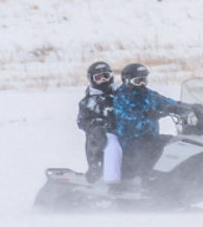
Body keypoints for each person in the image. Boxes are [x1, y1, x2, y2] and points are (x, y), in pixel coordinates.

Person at [112, 63, 188, 192]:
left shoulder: (148, 94)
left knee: (175, 144)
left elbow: (167, 102)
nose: (142, 84)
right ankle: (146, 182)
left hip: (149, 137)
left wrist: (188, 107)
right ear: (127, 81)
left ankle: (174, 179)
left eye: (144, 80)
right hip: (130, 140)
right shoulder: (121, 97)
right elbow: (128, 119)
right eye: (138, 80)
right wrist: (151, 115)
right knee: (148, 149)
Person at [76, 61, 122, 186]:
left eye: (106, 76)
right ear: (92, 79)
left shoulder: (120, 95)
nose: (103, 80)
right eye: (98, 78)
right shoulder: (87, 102)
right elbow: (82, 122)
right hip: (101, 137)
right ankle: (102, 172)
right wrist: (98, 124)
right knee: (110, 143)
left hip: (123, 131)